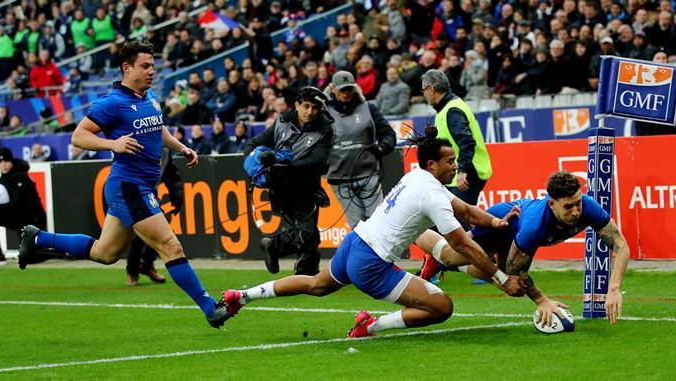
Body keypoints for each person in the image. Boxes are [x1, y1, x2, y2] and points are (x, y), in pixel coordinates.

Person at [220, 128, 526, 337]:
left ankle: (242, 296)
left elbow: (468, 212)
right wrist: (501, 280)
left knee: (316, 284)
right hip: (372, 264)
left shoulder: (418, 177)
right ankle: (370, 326)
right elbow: (462, 243)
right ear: (432, 165)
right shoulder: (431, 193)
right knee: (442, 307)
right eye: (450, 162)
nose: (455, 166)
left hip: (356, 243)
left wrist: (496, 223)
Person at [17, 41, 230, 329]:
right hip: (129, 186)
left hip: (138, 186)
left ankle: (39, 238)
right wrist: (112, 144)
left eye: (153, 65)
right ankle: (210, 308)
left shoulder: (150, 95)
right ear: (127, 68)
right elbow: (78, 137)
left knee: (105, 253)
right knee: (170, 245)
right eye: (145, 66)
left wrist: (182, 147)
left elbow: (158, 128)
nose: (152, 71)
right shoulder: (112, 103)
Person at [417, 170, 630, 326]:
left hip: (517, 235)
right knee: (452, 256)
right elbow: (515, 271)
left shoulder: (588, 207)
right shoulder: (535, 227)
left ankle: (444, 264)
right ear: (551, 204)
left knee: (502, 282)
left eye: (578, 203)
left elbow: (620, 244)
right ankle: (414, 231)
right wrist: (541, 300)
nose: (576, 211)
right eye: (568, 206)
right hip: (502, 223)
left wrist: (613, 287)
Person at [244, 86, 333, 276]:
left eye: (315, 108)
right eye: (306, 106)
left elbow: (318, 161)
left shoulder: (325, 128)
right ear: (297, 105)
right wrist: (253, 163)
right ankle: (301, 267)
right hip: (281, 189)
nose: (310, 112)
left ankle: (299, 266)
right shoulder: (281, 122)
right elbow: (253, 144)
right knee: (307, 233)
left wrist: (282, 164)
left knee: (308, 233)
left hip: (306, 187)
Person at [325, 71, 397, 229]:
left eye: (349, 89)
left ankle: (379, 254)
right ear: (333, 89)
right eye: (343, 89)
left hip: (368, 174)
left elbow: (388, 134)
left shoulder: (368, 108)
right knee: (357, 225)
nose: (347, 93)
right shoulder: (323, 113)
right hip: (339, 179)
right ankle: (365, 254)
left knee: (378, 222)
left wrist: (381, 148)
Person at [421, 69, 492, 223]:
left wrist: (463, 171)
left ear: (431, 89)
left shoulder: (451, 109)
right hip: (461, 173)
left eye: (424, 90)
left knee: (458, 225)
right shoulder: (446, 108)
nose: (424, 94)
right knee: (454, 224)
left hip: (468, 173)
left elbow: (466, 141)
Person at [126, 148, 182, 286]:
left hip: (150, 194)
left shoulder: (165, 151)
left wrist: (177, 197)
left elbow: (171, 175)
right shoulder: (139, 142)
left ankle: (145, 265)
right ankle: (134, 271)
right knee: (138, 236)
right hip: (132, 193)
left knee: (159, 233)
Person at [0, 148, 47, 265]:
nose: (3, 165)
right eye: (0, 162)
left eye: (6, 161)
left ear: (12, 161)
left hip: (31, 218)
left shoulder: (20, 176)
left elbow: (17, 204)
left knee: (30, 258)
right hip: (16, 216)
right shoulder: (2, 179)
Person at [634, 51, 676, 135]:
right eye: (658, 58)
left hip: (675, 132)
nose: (661, 60)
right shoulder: (644, 84)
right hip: (652, 133)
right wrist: (640, 135)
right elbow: (639, 112)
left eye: (664, 58)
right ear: (652, 61)